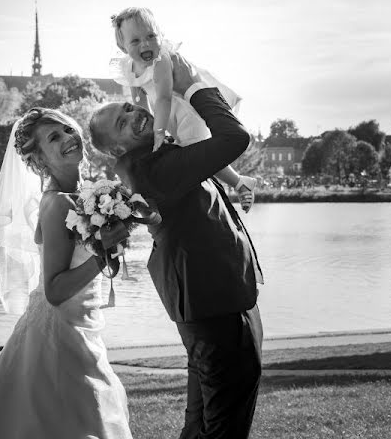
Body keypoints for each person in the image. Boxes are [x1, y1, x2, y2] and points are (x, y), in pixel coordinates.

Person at [89, 54, 264, 439]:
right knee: (224, 426)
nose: (136, 114)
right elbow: (234, 138)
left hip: (213, 299)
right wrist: (192, 86)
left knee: (202, 423)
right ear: (116, 149)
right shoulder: (152, 167)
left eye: (131, 107)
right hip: (215, 302)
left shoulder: (156, 154)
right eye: (123, 122)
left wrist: (238, 182)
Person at [0, 108, 132, 439]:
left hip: (81, 326)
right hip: (59, 336)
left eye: (66, 130)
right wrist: (101, 256)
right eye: (53, 137)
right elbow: (55, 290)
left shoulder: (87, 196)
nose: (67, 137)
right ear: (39, 161)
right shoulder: (58, 204)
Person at [108, 6, 257, 212]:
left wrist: (159, 131)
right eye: (135, 40)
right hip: (166, 114)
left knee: (196, 147)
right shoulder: (129, 67)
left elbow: (163, 98)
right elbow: (138, 100)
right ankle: (237, 183)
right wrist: (148, 127)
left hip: (184, 108)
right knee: (189, 152)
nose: (145, 44)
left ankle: (239, 182)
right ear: (123, 47)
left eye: (151, 36)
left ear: (160, 35)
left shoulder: (162, 60)